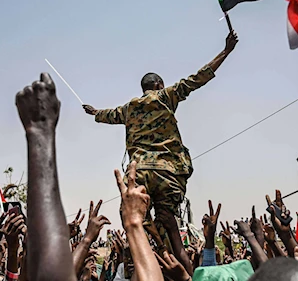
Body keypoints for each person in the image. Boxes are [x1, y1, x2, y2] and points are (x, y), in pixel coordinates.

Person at [83, 30, 239, 273]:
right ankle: (179, 275)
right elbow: (199, 78)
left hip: (140, 173)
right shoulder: (166, 96)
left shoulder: (129, 108)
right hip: (169, 173)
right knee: (170, 231)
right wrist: (226, 51)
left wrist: (94, 113)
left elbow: (106, 115)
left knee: (141, 236)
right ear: (158, 85)